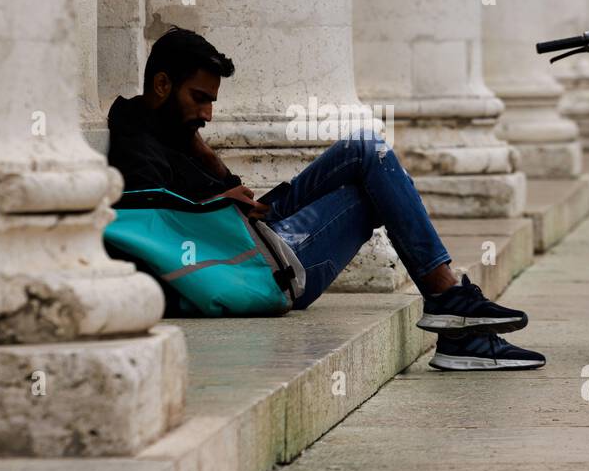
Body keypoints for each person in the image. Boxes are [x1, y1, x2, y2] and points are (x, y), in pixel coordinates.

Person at [107, 27, 545, 371]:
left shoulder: (175, 131)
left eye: (212, 102)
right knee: (370, 177)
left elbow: (228, 188)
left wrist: (205, 155)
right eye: (199, 99)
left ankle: (455, 322)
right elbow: (158, 218)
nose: (208, 114)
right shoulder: (135, 144)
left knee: (365, 148)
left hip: (261, 236)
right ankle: (451, 307)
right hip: (265, 271)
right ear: (161, 84)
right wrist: (223, 198)